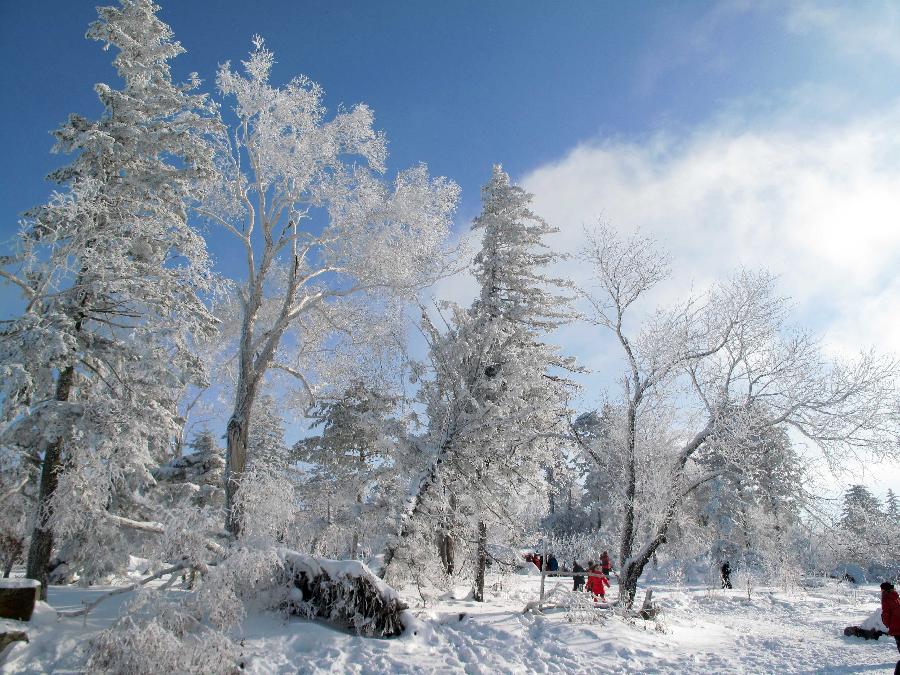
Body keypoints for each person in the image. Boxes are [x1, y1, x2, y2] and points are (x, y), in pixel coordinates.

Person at [882, 581, 900, 674]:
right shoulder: (896, 596)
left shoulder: (886, 598)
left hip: (897, 629)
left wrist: (887, 624)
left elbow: (886, 614)